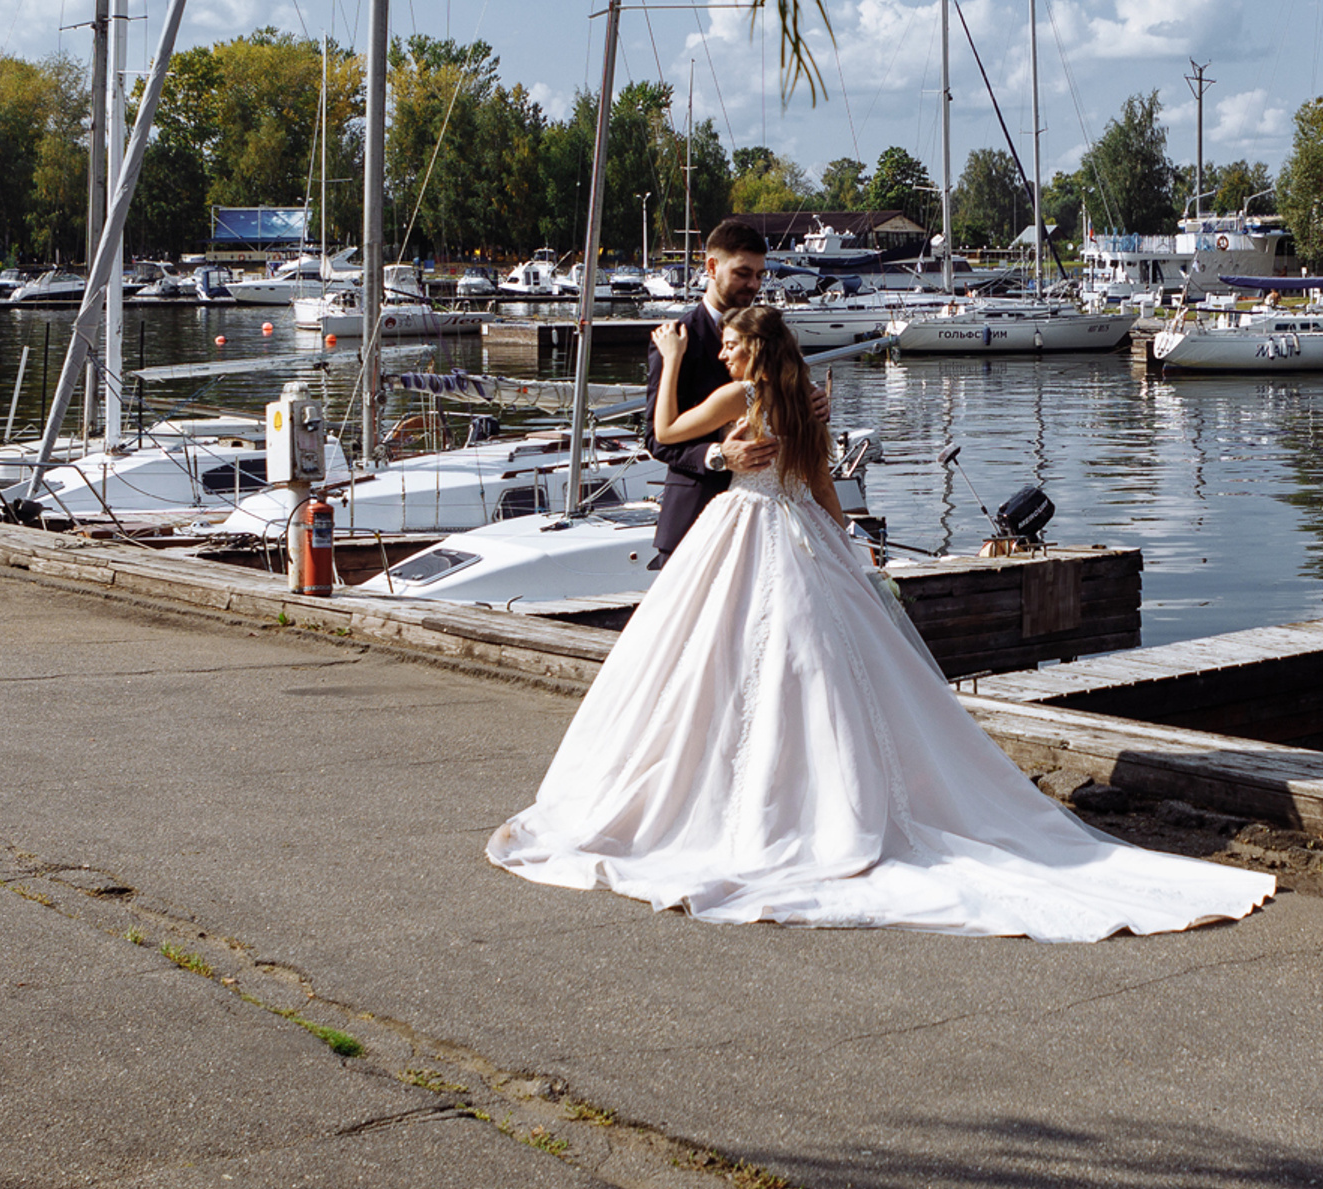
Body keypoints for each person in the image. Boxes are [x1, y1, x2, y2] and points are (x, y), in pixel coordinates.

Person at [487, 301, 1276, 939]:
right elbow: (824, 487)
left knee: (722, 667)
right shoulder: (805, 399)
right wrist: (852, 549)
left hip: (745, 531)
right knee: (820, 671)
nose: (722, 355)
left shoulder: (741, 396)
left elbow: (663, 433)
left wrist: (665, 361)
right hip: (801, 535)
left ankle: (755, 803)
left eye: (730, 345)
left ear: (752, 352)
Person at [642, 220, 777, 570]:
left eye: (760, 275)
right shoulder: (675, 340)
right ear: (712, 267)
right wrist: (719, 455)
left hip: (763, 526)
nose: (753, 285)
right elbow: (656, 440)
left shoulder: (768, 336)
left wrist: (809, 399)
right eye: (743, 273)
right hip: (695, 519)